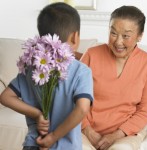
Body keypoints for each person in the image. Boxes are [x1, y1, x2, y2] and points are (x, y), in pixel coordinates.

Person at [0, 2, 94, 150]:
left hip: (33, 144)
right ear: (75, 37)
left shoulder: (31, 68)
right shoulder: (82, 71)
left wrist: (37, 114)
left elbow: (5, 97)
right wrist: (53, 137)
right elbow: (82, 109)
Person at [80, 5, 147, 150]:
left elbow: (146, 109)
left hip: (126, 133)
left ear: (140, 35)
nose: (118, 42)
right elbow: (71, 96)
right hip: (85, 129)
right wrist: (86, 129)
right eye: (113, 33)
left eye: (126, 36)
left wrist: (117, 135)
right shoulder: (92, 55)